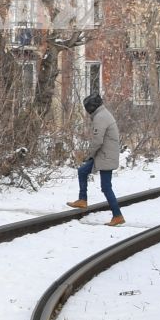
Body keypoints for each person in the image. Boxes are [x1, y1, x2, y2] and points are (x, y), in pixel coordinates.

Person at [66, 92, 125, 225]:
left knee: (106, 187)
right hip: (105, 154)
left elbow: (98, 140)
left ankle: (117, 215)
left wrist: (90, 155)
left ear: (91, 107)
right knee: (82, 171)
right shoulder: (103, 114)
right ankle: (82, 200)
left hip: (105, 156)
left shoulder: (100, 117)